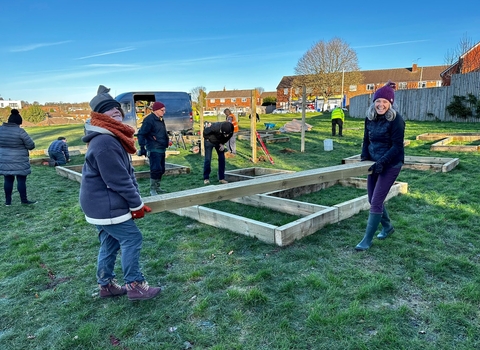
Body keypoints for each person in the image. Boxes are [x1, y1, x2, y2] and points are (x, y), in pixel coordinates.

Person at [80, 85, 161, 300]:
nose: (116, 111)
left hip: (97, 203)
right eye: (109, 110)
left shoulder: (110, 138)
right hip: (105, 203)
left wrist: (136, 200)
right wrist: (136, 205)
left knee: (110, 241)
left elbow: (126, 174)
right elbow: (119, 180)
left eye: (117, 109)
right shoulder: (106, 142)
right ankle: (135, 284)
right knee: (132, 238)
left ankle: (106, 285)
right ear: (98, 117)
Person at [355, 81, 405, 251]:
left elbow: (397, 146)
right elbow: (366, 140)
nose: (381, 104)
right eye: (378, 101)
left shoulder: (396, 119)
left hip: (391, 163)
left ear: (390, 103)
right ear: (373, 102)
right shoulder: (369, 118)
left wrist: (382, 162)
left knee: (376, 201)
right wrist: (364, 159)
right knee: (371, 198)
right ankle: (388, 227)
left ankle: (367, 240)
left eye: (385, 101)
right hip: (374, 162)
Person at [0, 109, 37, 205]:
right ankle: (24, 200)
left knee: (7, 180)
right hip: (20, 160)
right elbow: (31, 145)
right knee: (21, 181)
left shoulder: (0, 130)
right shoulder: (20, 131)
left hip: (4, 160)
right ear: (18, 122)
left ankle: (8, 202)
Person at [137, 101, 169, 195]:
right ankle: (152, 189)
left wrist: (167, 141)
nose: (164, 112)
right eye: (162, 110)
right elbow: (141, 133)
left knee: (162, 169)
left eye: (164, 110)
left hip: (161, 147)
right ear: (156, 110)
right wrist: (142, 147)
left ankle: (157, 186)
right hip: (153, 148)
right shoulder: (149, 120)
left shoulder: (160, 119)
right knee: (156, 169)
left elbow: (161, 132)